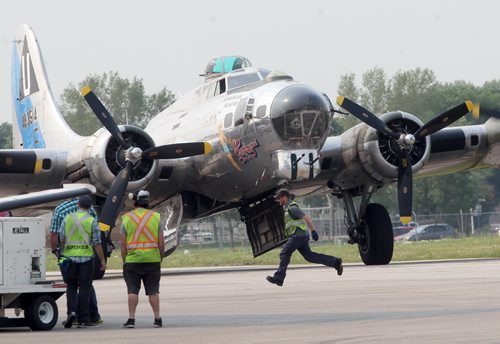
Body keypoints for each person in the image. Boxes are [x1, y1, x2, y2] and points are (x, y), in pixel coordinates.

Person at [266, 189, 343, 286]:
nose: (278, 200)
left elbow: (306, 217)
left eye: (279, 198)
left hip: (298, 236)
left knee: (285, 252)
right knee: (309, 256)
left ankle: (278, 278)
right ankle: (336, 262)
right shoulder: (287, 208)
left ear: (284, 197)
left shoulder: (292, 208)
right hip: (301, 236)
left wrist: (313, 231)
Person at [49, 197, 103, 326]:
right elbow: (97, 242)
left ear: (78, 205)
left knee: (71, 286)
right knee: (85, 288)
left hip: (68, 257)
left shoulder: (67, 217)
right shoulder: (91, 219)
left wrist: (61, 252)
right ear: (90, 207)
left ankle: (71, 312)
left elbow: (60, 237)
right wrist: (102, 260)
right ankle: (84, 319)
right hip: (87, 258)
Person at [120, 190, 165, 328]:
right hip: (152, 260)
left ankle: (131, 319)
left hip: (133, 261)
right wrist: (160, 257)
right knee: (153, 291)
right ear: (148, 201)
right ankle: (157, 318)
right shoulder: (157, 217)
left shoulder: (126, 218)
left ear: (135, 202)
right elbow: (161, 242)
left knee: (132, 291)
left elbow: (123, 244)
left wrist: (124, 260)